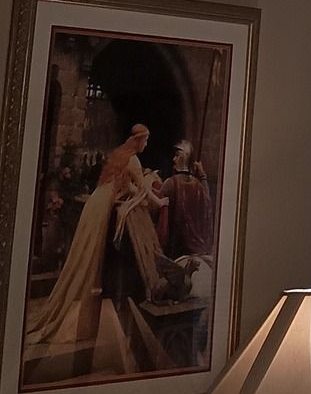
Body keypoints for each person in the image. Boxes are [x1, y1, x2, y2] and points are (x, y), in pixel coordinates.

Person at [27, 125, 164, 345]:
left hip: (97, 201)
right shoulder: (134, 160)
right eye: (145, 140)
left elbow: (127, 187)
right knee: (88, 258)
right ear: (139, 140)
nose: (146, 144)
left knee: (84, 255)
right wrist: (159, 200)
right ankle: (77, 317)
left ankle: (83, 317)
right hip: (101, 208)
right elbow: (142, 190)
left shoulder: (122, 154)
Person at [156, 138, 215, 262]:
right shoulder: (198, 185)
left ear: (184, 158)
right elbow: (207, 201)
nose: (174, 159)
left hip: (177, 251)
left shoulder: (171, 183)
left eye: (177, 156)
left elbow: (156, 208)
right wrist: (203, 176)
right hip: (199, 249)